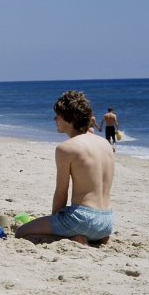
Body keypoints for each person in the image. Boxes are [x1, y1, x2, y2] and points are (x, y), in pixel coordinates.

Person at [15, 91, 114, 245]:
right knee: (81, 223)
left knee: (21, 232)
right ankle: (96, 238)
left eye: (58, 115)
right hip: (106, 221)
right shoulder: (106, 144)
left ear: (70, 119)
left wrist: (55, 221)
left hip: (82, 219)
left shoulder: (66, 149)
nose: (54, 119)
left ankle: (72, 238)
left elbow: (61, 192)